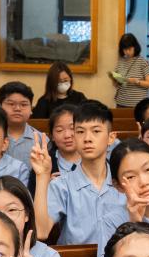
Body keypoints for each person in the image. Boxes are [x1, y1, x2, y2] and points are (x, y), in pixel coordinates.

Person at [31, 100, 125, 244]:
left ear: (111, 138)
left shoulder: (125, 181)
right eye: (80, 132)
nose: (87, 139)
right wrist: (42, 176)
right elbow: (41, 231)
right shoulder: (62, 185)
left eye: (96, 131)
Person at [0, 82, 39, 166]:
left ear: (31, 109)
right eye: (11, 104)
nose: (17, 108)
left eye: (23, 104)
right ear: (0, 107)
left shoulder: (41, 140)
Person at [111, 33, 149, 109]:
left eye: (129, 49)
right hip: (121, 103)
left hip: (138, 105)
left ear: (135, 47)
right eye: (124, 49)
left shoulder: (143, 62)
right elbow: (116, 85)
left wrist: (136, 81)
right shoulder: (121, 61)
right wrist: (116, 81)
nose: (127, 52)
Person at [47, 103, 82, 174]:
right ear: (52, 136)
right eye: (59, 130)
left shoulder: (96, 159)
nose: (67, 135)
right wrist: (44, 179)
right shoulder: (43, 162)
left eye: (72, 128)